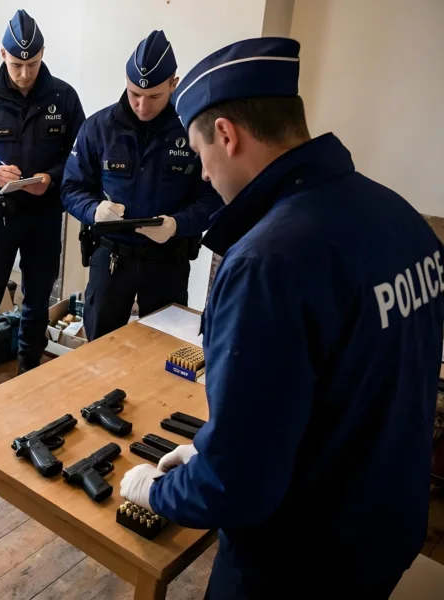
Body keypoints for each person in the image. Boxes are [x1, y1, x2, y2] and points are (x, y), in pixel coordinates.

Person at [119, 37, 444, 598]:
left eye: (199, 154)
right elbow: (352, 382)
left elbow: (237, 486)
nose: (203, 176)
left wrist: (161, 490)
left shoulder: (267, 262)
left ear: (227, 135)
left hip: (299, 559)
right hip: (385, 526)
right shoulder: (400, 217)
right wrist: (217, 445)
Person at [0, 9, 84, 405]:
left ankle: (29, 369)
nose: (24, 73)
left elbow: (80, 157)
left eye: (32, 64)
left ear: (42, 55)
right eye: (17, 64)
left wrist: (51, 177)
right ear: (3, 55)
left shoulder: (64, 97)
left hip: (44, 216)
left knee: (38, 300)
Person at [62, 31, 222, 341]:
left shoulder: (192, 130)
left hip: (168, 262)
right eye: (135, 93)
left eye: (154, 96)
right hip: (111, 260)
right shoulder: (98, 127)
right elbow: (71, 189)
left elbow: (212, 199)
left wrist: (177, 224)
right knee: (99, 350)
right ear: (126, 80)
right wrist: (93, 210)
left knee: (161, 349)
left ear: (173, 84)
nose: (142, 105)